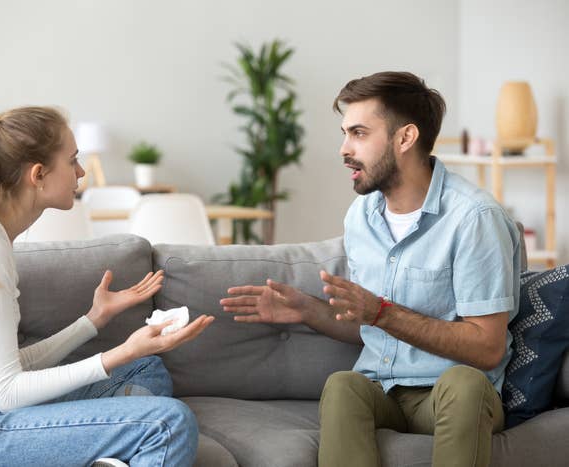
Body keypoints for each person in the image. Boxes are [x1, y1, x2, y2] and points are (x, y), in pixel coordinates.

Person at [221, 71, 521, 467]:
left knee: (464, 383)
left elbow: (486, 346)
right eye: (345, 133)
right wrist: (307, 310)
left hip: (452, 396)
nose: (345, 148)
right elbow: (370, 324)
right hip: (383, 390)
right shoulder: (362, 216)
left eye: (359, 133)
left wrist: (381, 312)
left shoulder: (474, 218)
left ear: (405, 138)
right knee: (345, 385)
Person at [0, 106, 214, 467]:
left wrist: (93, 321)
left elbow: (9, 366)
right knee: (169, 424)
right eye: (73, 161)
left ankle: (103, 451)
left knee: (146, 370)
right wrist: (122, 351)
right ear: (38, 175)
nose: (81, 172)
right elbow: (8, 392)